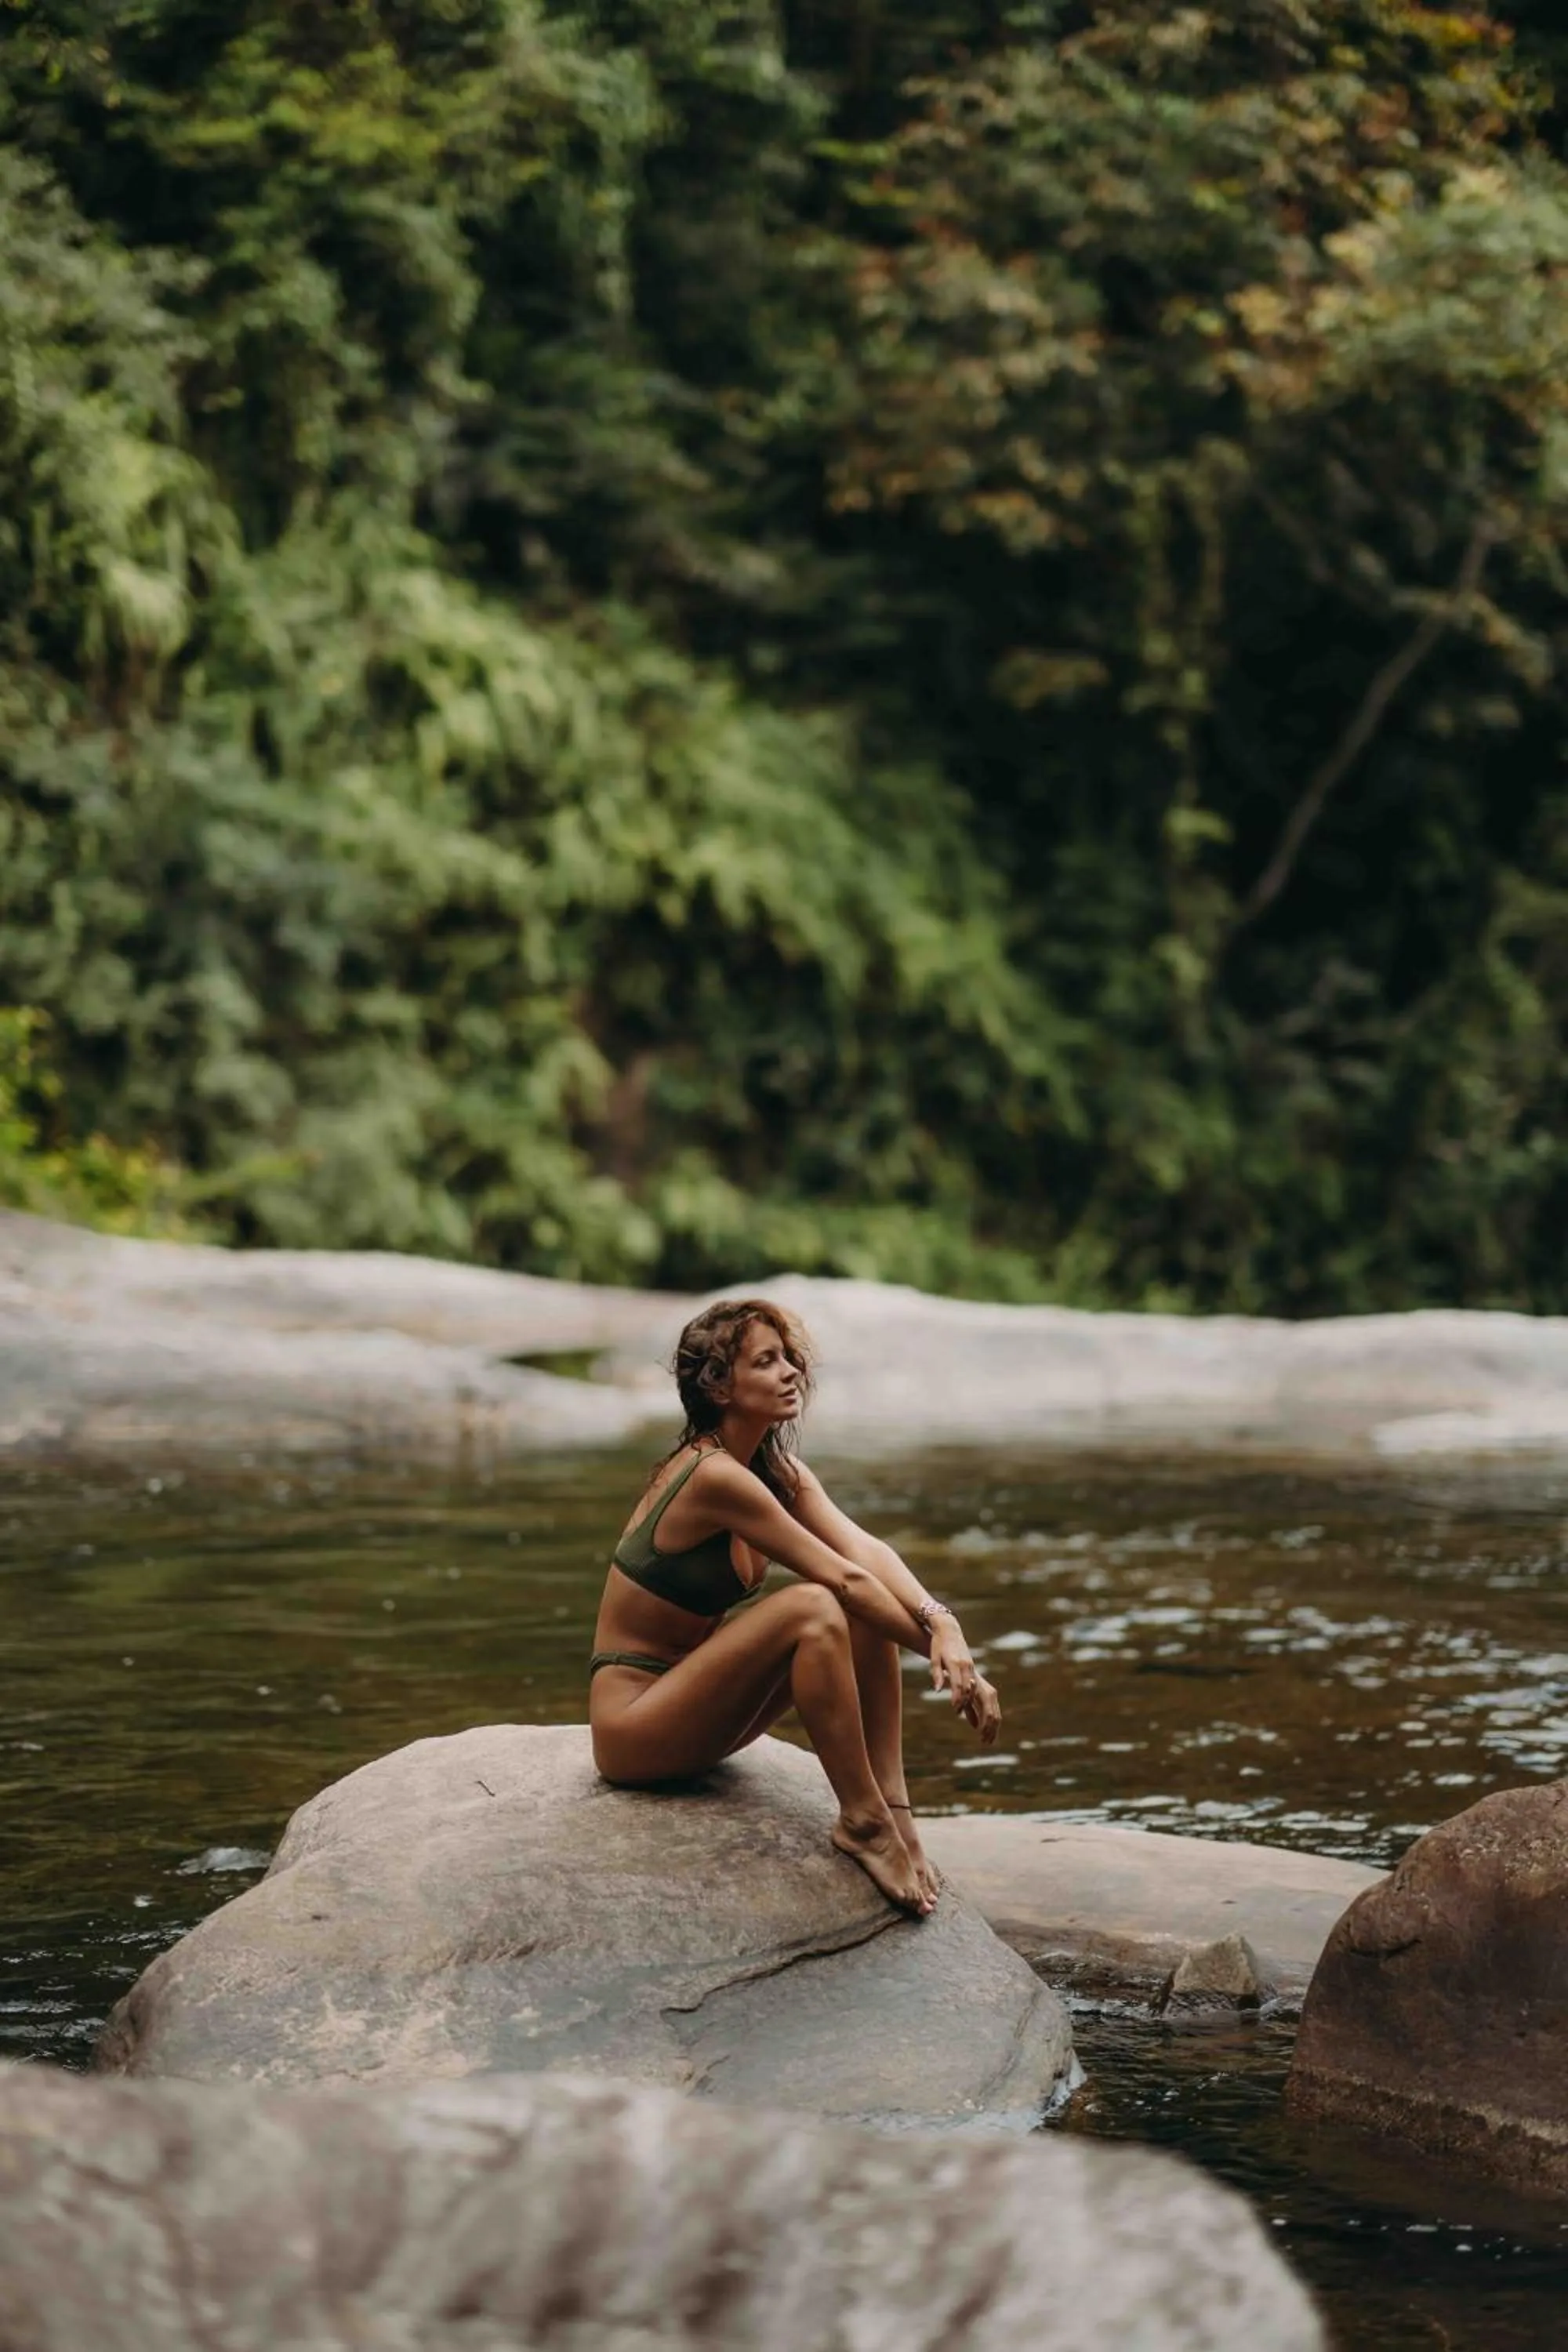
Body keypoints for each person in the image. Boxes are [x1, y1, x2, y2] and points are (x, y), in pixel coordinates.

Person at [588, 1296, 1001, 1917]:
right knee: (815, 1607)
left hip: (695, 1708)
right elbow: (842, 1579)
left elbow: (865, 1551)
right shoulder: (712, 1477)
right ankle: (862, 1820)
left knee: (854, 1607)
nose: (790, 1372)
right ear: (720, 1386)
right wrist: (946, 1663)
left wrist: (944, 1622)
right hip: (635, 1728)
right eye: (766, 1361)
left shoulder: (776, 1471)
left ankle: (892, 1807)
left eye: (788, 1358)